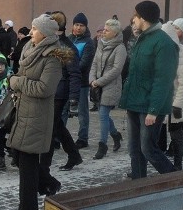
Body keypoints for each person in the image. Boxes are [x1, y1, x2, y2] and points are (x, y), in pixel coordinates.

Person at [7, 14, 69, 210]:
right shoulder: (29, 49)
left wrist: (17, 82)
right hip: (23, 109)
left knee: (27, 161)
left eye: (35, 29)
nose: (31, 32)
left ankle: (27, 208)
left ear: (45, 33)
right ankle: (49, 183)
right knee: (18, 156)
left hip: (37, 113)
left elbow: (45, 88)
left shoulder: (52, 57)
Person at [118, 0, 177, 179]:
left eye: (135, 16)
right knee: (134, 149)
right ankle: (139, 182)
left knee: (148, 148)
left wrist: (154, 110)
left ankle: (175, 179)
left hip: (150, 106)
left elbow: (163, 80)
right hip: (135, 102)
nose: (133, 20)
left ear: (143, 18)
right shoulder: (142, 39)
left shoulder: (163, 42)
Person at [46, 11, 83, 172]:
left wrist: (74, 98)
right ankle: (74, 155)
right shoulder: (53, 43)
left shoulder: (66, 46)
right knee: (57, 126)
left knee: (51, 127)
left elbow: (75, 73)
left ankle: (44, 164)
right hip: (51, 91)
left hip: (60, 93)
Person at [89, 18, 126, 160]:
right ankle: (116, 135)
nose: (103, 32)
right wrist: (92, 79)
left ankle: (102, 146)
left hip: (111, 86)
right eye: (104, 29)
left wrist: (99, 81)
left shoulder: (120, 48)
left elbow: (116, 70)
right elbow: (94, 63)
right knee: (103, 114)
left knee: (103, 114)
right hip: (97, 85)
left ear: (115, 33)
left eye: (107, 30)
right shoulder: (100, 44)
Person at [161, 21, 183, 169]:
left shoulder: (181, 51)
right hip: (159, 101)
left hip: (175, 101)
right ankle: (159, 164)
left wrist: (177, 104)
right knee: (155, 136)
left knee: (176, 135)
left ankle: (178, 165)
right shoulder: (159, 51)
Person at [69, 12, 95, 149]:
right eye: (76, 25)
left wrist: (70, 70)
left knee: (82, 112)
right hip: (67, 81)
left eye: (81, 25)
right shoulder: (69, 39)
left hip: (82, 82)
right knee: (63, 110)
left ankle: (83, 138)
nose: (78, 28)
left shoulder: (88, 42)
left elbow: (84, 64)